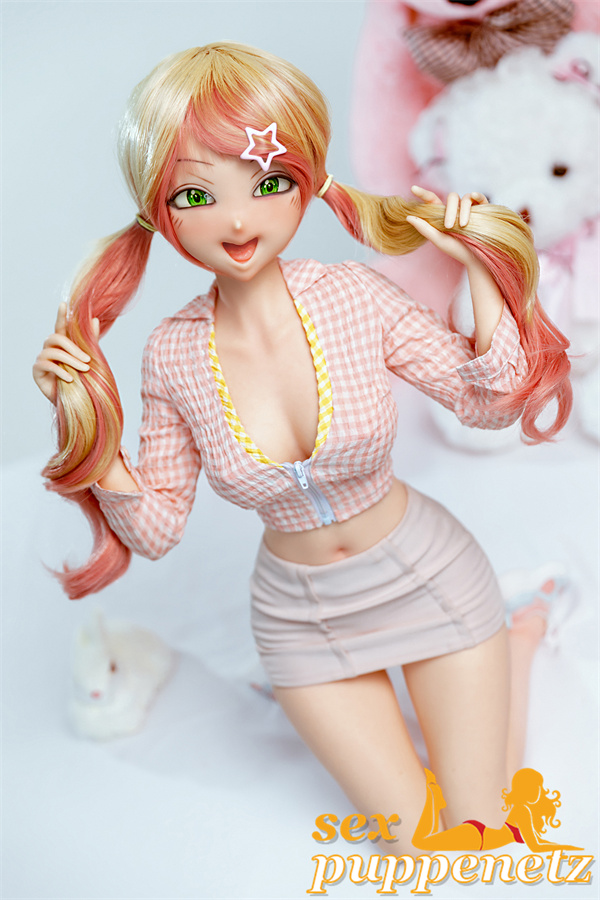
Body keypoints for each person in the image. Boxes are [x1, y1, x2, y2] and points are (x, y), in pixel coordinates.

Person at [32, 42, 571, 852]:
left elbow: (485, 404)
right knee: (415, 847)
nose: (237, 220)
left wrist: (482, 273)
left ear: (309, 180)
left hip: (426, 577)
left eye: (268, 182)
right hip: (303, 624)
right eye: (195, 194)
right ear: (158, 209)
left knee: (483, 829)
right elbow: (157, 530)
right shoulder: (172, 355)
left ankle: (516, 637)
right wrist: (84, 415)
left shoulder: (354, 297)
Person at [413, 767, 583, 852]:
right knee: (419, 844)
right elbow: (535, 846)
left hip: (479, 834)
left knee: (420, 844)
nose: (538, 790)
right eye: (535, 787)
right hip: (479, 835)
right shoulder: (522, 811)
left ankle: (434, 798)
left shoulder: (520, 807)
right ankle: (433, 798)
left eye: (537, 787)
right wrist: (566, 847)